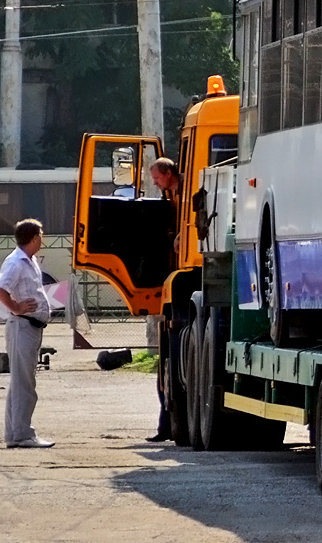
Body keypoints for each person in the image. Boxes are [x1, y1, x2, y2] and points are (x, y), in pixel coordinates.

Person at [0, 218, 54, 448]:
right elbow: (0, 288)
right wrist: (16, 307)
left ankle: (14, 434)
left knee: (20, 382)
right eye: (40, 235)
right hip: (22, 326)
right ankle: (23, 434)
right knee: (25, 384)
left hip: (29, 327)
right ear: (33, 238)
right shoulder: (16, 262)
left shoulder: (29, 260)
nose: (42, 239)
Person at [145, 157, 181, 443]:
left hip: (181, 281)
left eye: (157, 178)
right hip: (171, 283)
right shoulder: (170, 196)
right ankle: (165, 425)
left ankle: (168, 424)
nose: (155, 183)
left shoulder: (187, 192)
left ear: (168, 173)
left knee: (170, 362)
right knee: (165, 365)